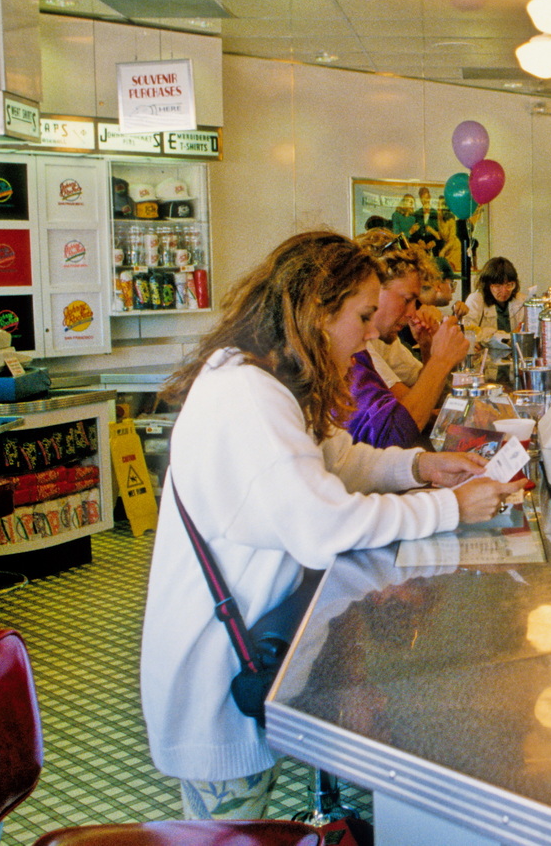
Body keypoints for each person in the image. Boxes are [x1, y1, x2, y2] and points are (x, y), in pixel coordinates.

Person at [140, 232, 520, 821]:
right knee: (226, 832)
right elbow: (324, 525)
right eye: (363, 317)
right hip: (217, 675)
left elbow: (335, 457)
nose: (370, 334)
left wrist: (418, 467)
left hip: (248, 648)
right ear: (318, 310)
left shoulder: (264, 378)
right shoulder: (247, 394)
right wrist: (450, 507)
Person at [347, 230, 471, 449]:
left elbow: (425, 395)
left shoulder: (383, 339)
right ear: (372, 289)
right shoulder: (355, 344)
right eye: (406, 299)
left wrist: (428, 348)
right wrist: (441, 360)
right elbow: (395, 428)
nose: (412, 312)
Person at [462, 256, 524, 343]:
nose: (504, 291)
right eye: (498, 286)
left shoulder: (521, 300)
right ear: (487, 285)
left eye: (509, 284)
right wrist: (507, 335)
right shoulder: (475, 300)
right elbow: (468, 332)